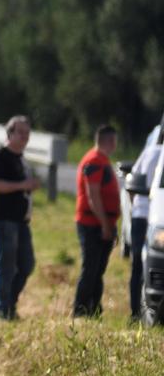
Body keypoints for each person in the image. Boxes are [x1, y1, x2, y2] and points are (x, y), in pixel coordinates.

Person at [0, 115, 41, 320]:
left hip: (20, 221)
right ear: (10, 134)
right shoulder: (1, 156)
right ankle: (4, 310)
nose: (25, 136)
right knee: (7, 266)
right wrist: (22, 186)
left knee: (27, 264)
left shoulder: (21, 159)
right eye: (20, 132)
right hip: (3, 219)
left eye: (27, 133)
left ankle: (10, 302)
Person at [73, 125, 122, 318]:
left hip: (100, 223)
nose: (115, 145)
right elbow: (93, 197)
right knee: (91, 268)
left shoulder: (102, 160)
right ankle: (80, 310)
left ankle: (93, 309)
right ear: (109, 141)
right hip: (92, 224)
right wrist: (105, 225)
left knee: (97, 270)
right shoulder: (94, 161)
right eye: (114, 141)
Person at [125, 129, 161, 321]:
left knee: (139, 265)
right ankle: (135, 313)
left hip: (146, 216)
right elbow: (133, 182)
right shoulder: (152, 153)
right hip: (144, 215)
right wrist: (138, 208)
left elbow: (132, 178)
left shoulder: (150, 152)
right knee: (139, 265)